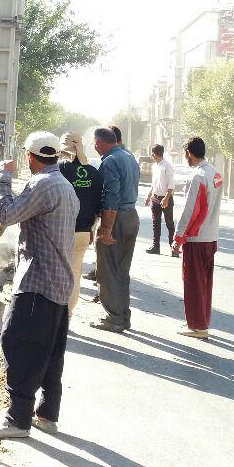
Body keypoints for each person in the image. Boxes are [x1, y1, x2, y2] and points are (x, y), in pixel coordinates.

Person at [0, 132, 79, 439]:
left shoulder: (43, 184)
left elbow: (8, 214)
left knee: (17, 342)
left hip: (37, 281)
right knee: (50, 351)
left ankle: (17, 418)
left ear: (32, 157)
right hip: (59, 283)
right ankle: (47, 414)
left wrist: (2, 179)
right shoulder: (66, 187)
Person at [91, 126, 140, 333]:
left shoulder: (109, 161)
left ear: (99, 143)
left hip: (117, 218)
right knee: (122, 270)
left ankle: (114, 318)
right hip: (131, 216)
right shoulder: (128, 157)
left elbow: (111, 195)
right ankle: (123, 315)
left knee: (108, 270)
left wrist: (106, 228)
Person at [173, 136, 223, 339]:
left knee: (193, 283)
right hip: (211, 236)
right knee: (205, 283)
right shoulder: (215, 173)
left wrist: (178, 237)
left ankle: (198, 326)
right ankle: (201, 320)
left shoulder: (198, 176)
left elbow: (190, 209)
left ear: (188, 153)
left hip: (196, 238)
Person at [57, 132, 101, 314]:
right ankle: (68, 315)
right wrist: (93, 229)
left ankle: (56, 317)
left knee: (57, 275)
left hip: (60, 231)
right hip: (84, 232)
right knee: (75, 274)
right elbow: (99, 204)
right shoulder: (92, 172)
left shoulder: (58, 170)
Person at [145, 144, 177, 256]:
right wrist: (149, 196)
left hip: (166, 199)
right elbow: (153, 184)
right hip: (155, 198)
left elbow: (171, 185)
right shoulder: (155, 166)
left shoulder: (167, 166)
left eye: (152, 153)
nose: (152, 155)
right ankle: (155, 247)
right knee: (156, 223)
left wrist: (166, 198)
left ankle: (174, 248)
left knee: (169, 224)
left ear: (154, 153)